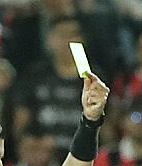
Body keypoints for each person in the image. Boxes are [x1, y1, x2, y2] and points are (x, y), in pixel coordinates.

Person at [10, 16, 87, 154]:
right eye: (62, 35)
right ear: (50, 39)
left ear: (83, 40)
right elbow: (20, 122)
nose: (68, 41)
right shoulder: (35, 75)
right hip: (41, 156)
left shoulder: (92, 77)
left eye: (73, 34)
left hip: (81, 156)